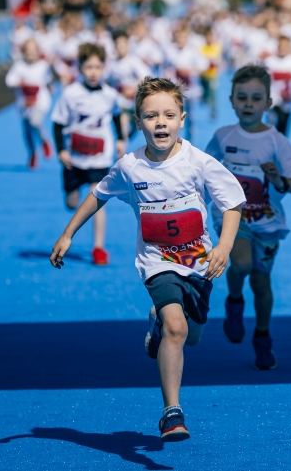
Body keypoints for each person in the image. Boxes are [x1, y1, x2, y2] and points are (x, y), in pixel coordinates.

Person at [50, 77, 245, 441]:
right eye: (151, 115)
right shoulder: (129, 167)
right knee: (178, 328)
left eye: (169, 115)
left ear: (182, 119)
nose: (160, 122)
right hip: (156, 264)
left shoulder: (198, 162)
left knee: (194, 336)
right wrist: (68, 233)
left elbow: (232, 203)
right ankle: (172, 412)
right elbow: (97, 195)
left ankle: (158, 320)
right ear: (137, 122)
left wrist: (224, 246)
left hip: (200, 264)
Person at [206, 65, 291, 370]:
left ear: (268, 104)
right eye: (242, 97)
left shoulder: (277, 142)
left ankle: (262, 337)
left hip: (267, 223)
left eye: (255, 98)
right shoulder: (223, 137)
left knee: (262, 283)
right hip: (233, 219)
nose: (248, 104)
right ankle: (234, 301)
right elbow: (203, 169)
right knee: (240, 263)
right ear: (232, 100)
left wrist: (279, 181)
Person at [51, 43, 128, 266]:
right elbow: (58, 123)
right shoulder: (70, 94)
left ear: (104, 68)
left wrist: (121, 139)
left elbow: (116, 117)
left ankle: (98, 248)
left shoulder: (110, 95)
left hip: (100, 156)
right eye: (88, 67)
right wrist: (61, 150)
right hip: (74, 157)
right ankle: (70, 190)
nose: (93, 72)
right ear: (80, 69)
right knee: (72, 202)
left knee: (98, 198)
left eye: (97, 67)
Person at [5, 39, 55, 168]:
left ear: (38, 52)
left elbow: (48, 80)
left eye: (33, 50)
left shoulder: (43, 66)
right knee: (27, 130)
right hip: (24, 104)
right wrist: (18, 83)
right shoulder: (19, 66)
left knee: (35, 122)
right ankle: (32, 153)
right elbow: (9, 81)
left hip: (40, 102)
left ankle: (44, 140)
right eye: (27, 51)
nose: (30, 53)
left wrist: (50, 87)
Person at [164, 27, 210, 140]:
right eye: (178, 37)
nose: (180, 40)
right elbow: (165, 67)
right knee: (174, 112)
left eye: (183, 37)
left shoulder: (193, 52)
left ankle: (190, 135)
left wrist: (189, 71)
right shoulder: (170, 51)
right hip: (175, 87)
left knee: (190, 113)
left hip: (190, 87)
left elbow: (205, 66)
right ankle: (174, 136)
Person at [105, 30, 152, 140]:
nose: (121, 48)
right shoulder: (112, 64)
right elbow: (105, 80)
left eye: (123, 44)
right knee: (122, 127)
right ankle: (122, 150)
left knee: (137, 127)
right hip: (121, 102)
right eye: (118, 45)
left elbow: (147, 76)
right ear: (114, 47)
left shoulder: (133, 61)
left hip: (135, 101)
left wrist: (133, 87)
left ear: (127, 45)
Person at [263, 35, 291, 135]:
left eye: (286, 46)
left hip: (288, 100)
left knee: (283, 127)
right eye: (281, 46)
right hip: (273, 98)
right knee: (272, 123)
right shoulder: (270, 61)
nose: (283, 48)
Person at [199, 26, 223, 120]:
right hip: (203, 75)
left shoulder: (216, 47)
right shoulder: (202, 48)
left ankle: (213, 110)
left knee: (212, 93)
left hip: (212, 75)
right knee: (205, 92)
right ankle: (204, 98)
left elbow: (218, 61)